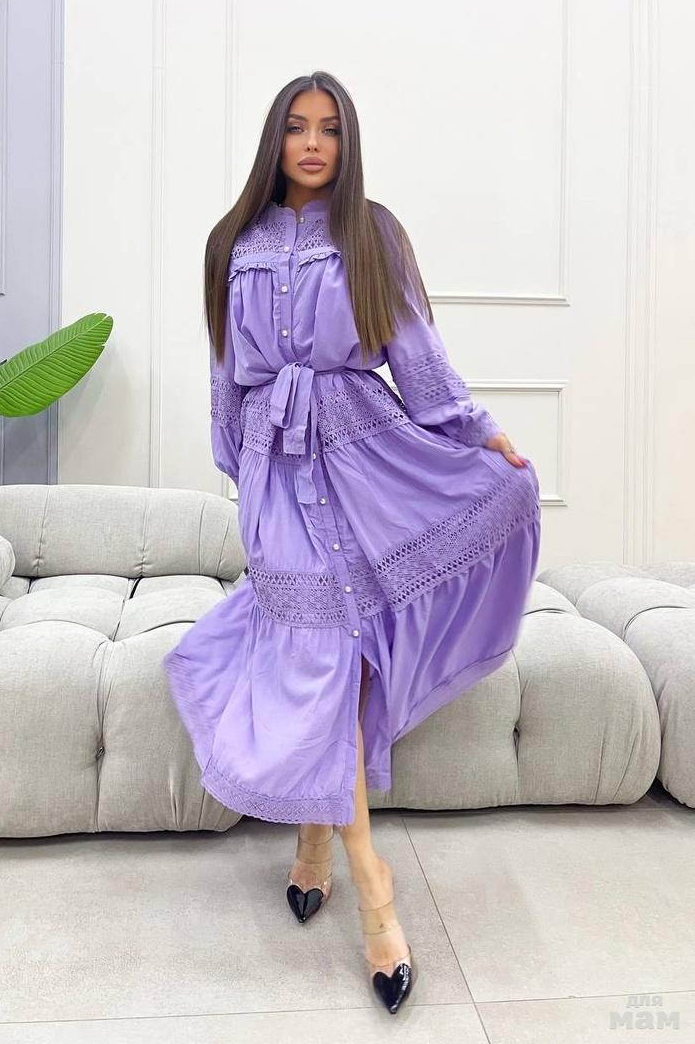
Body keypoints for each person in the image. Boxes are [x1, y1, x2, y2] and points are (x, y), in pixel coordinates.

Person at [164, 70, 541, 1015]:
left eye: (329, 129)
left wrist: (480, 434)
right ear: (275, 140)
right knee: (317, 649)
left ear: (347, 141)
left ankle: (322, 849)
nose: (312, 143)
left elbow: (415, 354)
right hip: (278, 469)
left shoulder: (373, 234)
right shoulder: (230, 243)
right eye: (297, 127)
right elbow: (225, 377)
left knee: (347, 655)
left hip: (369, 456)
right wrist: (245, 473)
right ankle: (374, 887)